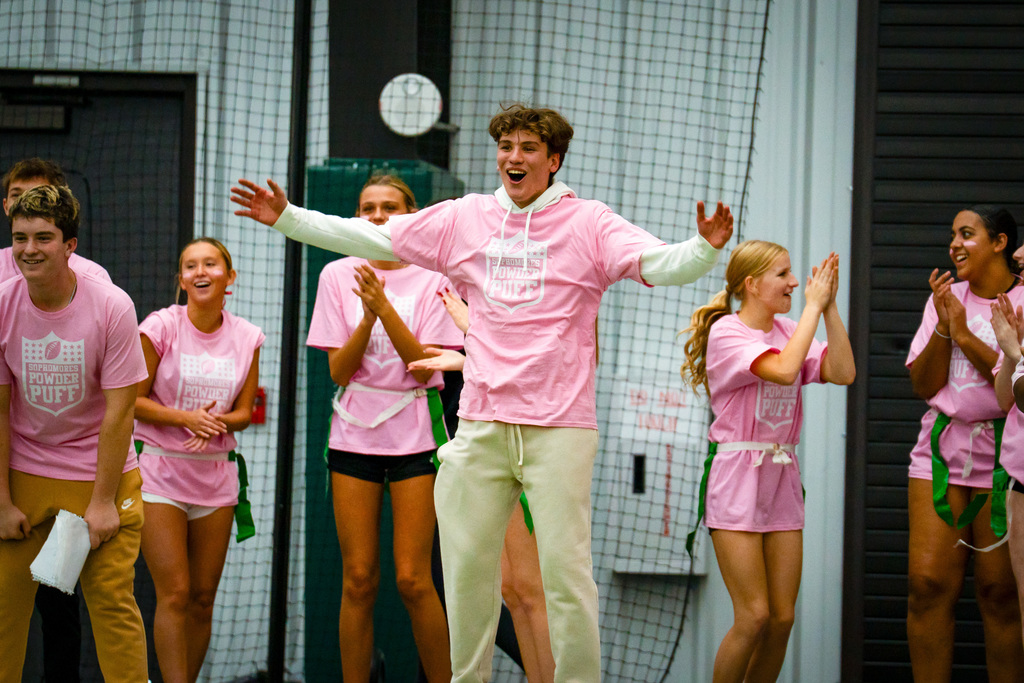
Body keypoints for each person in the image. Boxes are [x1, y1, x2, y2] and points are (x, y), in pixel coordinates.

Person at [231, 103, 734, 682]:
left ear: (554, 160)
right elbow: (369, 232)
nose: (513, 158)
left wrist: (704, 249)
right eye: (506, 147)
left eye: (527, 149)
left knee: (566, 579)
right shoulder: (465, 218)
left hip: (559, 429)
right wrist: (286, 217)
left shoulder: (590, 223)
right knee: (467, 576)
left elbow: (661, 263)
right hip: (481, 425)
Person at [306, 175, 459, 683]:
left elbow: (425, 364)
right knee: (358, 579)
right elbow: (338, 372)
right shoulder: (337, 275)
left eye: (389, 207)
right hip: (353, 435)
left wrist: (384, 306)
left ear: (410, 216)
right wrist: (367, 318)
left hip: (417, 433)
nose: (377, 216)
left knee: (414, 579)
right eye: (367, 208)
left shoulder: (437, 276)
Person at [680, 240, 854, 682]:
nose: (795, 282)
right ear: (752, 284)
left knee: (782, 619)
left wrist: (828, 308)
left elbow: (843, 372)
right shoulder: (728, 333)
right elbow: (782, 370)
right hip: (737, 477)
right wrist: (812, 309)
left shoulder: (790, 329)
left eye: (794, 274)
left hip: (781, 478)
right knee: (753, 615)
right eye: (783, 274)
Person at [0, 184, 149, 682]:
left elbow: (121, 410)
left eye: (44, 237)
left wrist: (103, 501)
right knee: (4, 608)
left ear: (70, 246)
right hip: (25, 473)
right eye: (20, 237)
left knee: (111, 605)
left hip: (99, 477)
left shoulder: (113, 306)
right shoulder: (2, 303)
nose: (29, 249)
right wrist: (1, 501)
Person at [133, 237, 264, 683]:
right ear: (182, 280)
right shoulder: (160, 326)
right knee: (175, 593)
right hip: (160, 475)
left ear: (230, 277)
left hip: (216, 478)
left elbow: (245, 413)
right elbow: (133, 400)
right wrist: (185, 418)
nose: (200, 271)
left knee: (203, 597)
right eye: (191, 265)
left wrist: (220, 422)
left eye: (211, 263)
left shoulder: (248, 337)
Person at [410, 290, 556, 683]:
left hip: (522, 440)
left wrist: (466, 355)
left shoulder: (517, 283)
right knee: (512, 589)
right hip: (477, 449)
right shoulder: (443, 286)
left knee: (529, 588)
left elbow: (529, 358)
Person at [905, 205, 1024, 680]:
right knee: (927, 585)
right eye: (952, 233)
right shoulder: (945, 297)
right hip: (940, 455)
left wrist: (963, 334)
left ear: (999, 243)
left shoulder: (1021, 300)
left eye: (967, 233)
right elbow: (924, 385)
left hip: (1004, 459)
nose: (954, 243)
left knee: (999, 592)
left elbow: (1015, 384)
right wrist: (941, 324)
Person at [2, 157, 110, 282]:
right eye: (17, 195)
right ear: (5, 206)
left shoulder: (94, 275)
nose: (26, 203)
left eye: (38, 194)